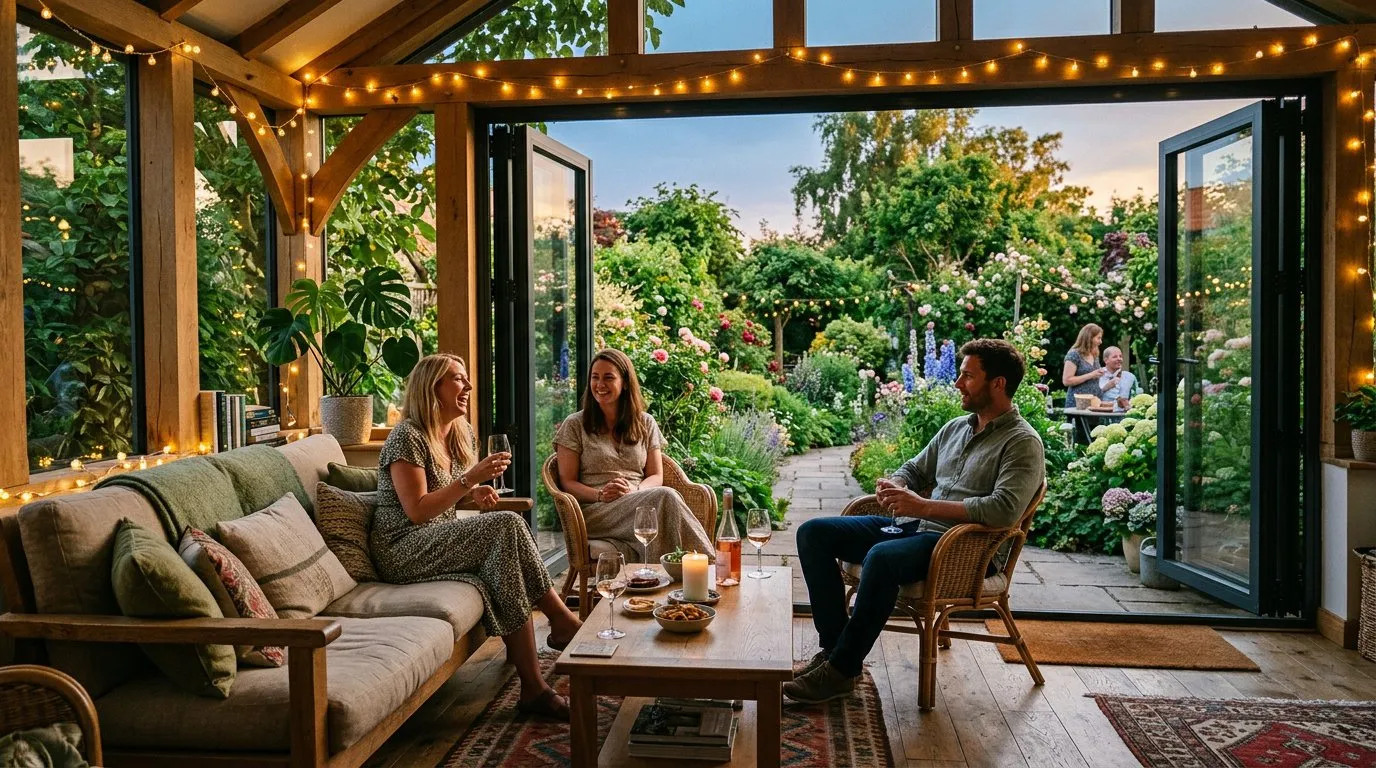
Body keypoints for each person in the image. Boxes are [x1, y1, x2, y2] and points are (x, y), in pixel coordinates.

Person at [786, 339, 1046, 705]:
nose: (957, 383)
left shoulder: (1023, 442)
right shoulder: (955, 428)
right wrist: (896, 484)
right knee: (813, 533)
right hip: (919, 530)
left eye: (968, 376)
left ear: (998, 383)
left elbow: (1003, 510)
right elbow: (915, 469)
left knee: (881, 557)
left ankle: (841, 670)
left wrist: (923, 507)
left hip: (966, 548)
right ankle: (834, 652)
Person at [371, 353, 582, 720]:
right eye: (458, 378)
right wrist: (470, 480)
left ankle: (534, 686)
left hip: (436, 538)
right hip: (402, 548)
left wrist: (473, 494)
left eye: (466, 378)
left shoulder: (458, 431)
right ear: (432, 388)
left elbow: (446, 494)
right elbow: (417, 510)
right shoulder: (406, 437)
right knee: (506, 524)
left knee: (503, 552)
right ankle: (560, 621)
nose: (468, 386)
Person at [554, 348, 714, 565]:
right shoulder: (574, 424)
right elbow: (567, 482)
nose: (599, 385)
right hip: (596, 511)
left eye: (608, 378)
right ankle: (708, 565)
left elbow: (656, 475)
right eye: (595, 377)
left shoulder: (645, 422)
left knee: (657, 505)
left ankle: (670, 574)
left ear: (626, 383)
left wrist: (635, 491)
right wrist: (601, 494)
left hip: (640, 502)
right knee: (665, 497)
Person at [1061, 323, 1107, 408]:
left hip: (1095, 403)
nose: (1101, 342)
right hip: (1078, 404)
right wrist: (1091, 375)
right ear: (1089, 338)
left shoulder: (1094, 355)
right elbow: (1066, 381)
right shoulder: (1074, 355)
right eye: (1098, 338)